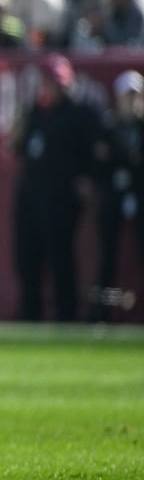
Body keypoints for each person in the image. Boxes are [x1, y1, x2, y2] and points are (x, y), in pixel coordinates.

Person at [10, 53, 102, 322]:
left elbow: (98, 152)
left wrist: (88, 180)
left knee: (60, 255)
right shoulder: (34, 111)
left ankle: (66, 315)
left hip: (62, 195)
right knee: (27, 255)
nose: (51, 87)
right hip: (30, 192)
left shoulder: (82, 111)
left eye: (55, 82)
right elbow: (17, 148)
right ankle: (30, 315)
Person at [90, 70, 144, 320]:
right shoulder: (107, 127)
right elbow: (100, 162)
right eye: (128, 95)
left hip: (139, 196)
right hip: (112, 195)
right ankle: (102, 313)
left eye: (136, 95)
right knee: (107, 256)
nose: (132, 100)